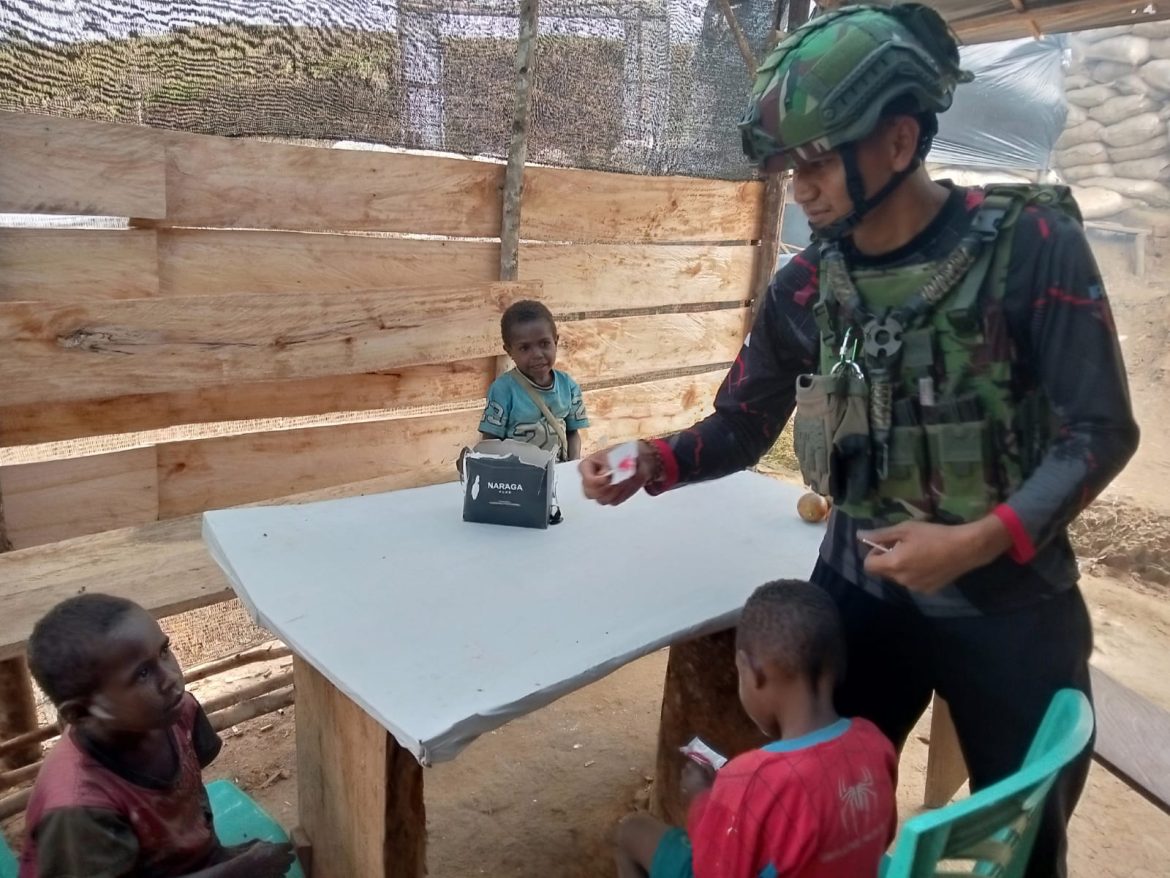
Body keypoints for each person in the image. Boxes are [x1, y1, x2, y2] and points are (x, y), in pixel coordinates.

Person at [581, 6, 1140, 877]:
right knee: (823, 835)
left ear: (899, 139)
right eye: (787, 165)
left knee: (1024, 851)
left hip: (1014, 610)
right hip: (861, 608)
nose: (798, 187)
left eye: (815, 158)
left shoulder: (1033, 247)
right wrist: (655, 459)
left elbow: (1100, 431)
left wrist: (976, 541)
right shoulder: (806, 288)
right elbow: (742, 423)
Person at [613, 579, 896, 878]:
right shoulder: (875, 744)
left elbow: (715, 868)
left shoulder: (749, 779)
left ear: (752, 672)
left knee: (631, 830)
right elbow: (881, 834)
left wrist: (702, 800)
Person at [18, 594, 296, 878]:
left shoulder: (179, 713)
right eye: (141, 674)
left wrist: (217, 858)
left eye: (164, 651)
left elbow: (191, 800)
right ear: (80, 713)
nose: (171, 677)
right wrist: (235, 872)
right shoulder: (78, 809)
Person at [478, 299, 589, 462]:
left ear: (556, 342)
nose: (537, 354)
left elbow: (572, 433)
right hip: (517, 477)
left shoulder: (568, 386)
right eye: (525, 348)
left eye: (544, 344)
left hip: (558, 472)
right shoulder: (503, 390)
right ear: (509, 351)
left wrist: (572, 466)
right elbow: (490, 440)